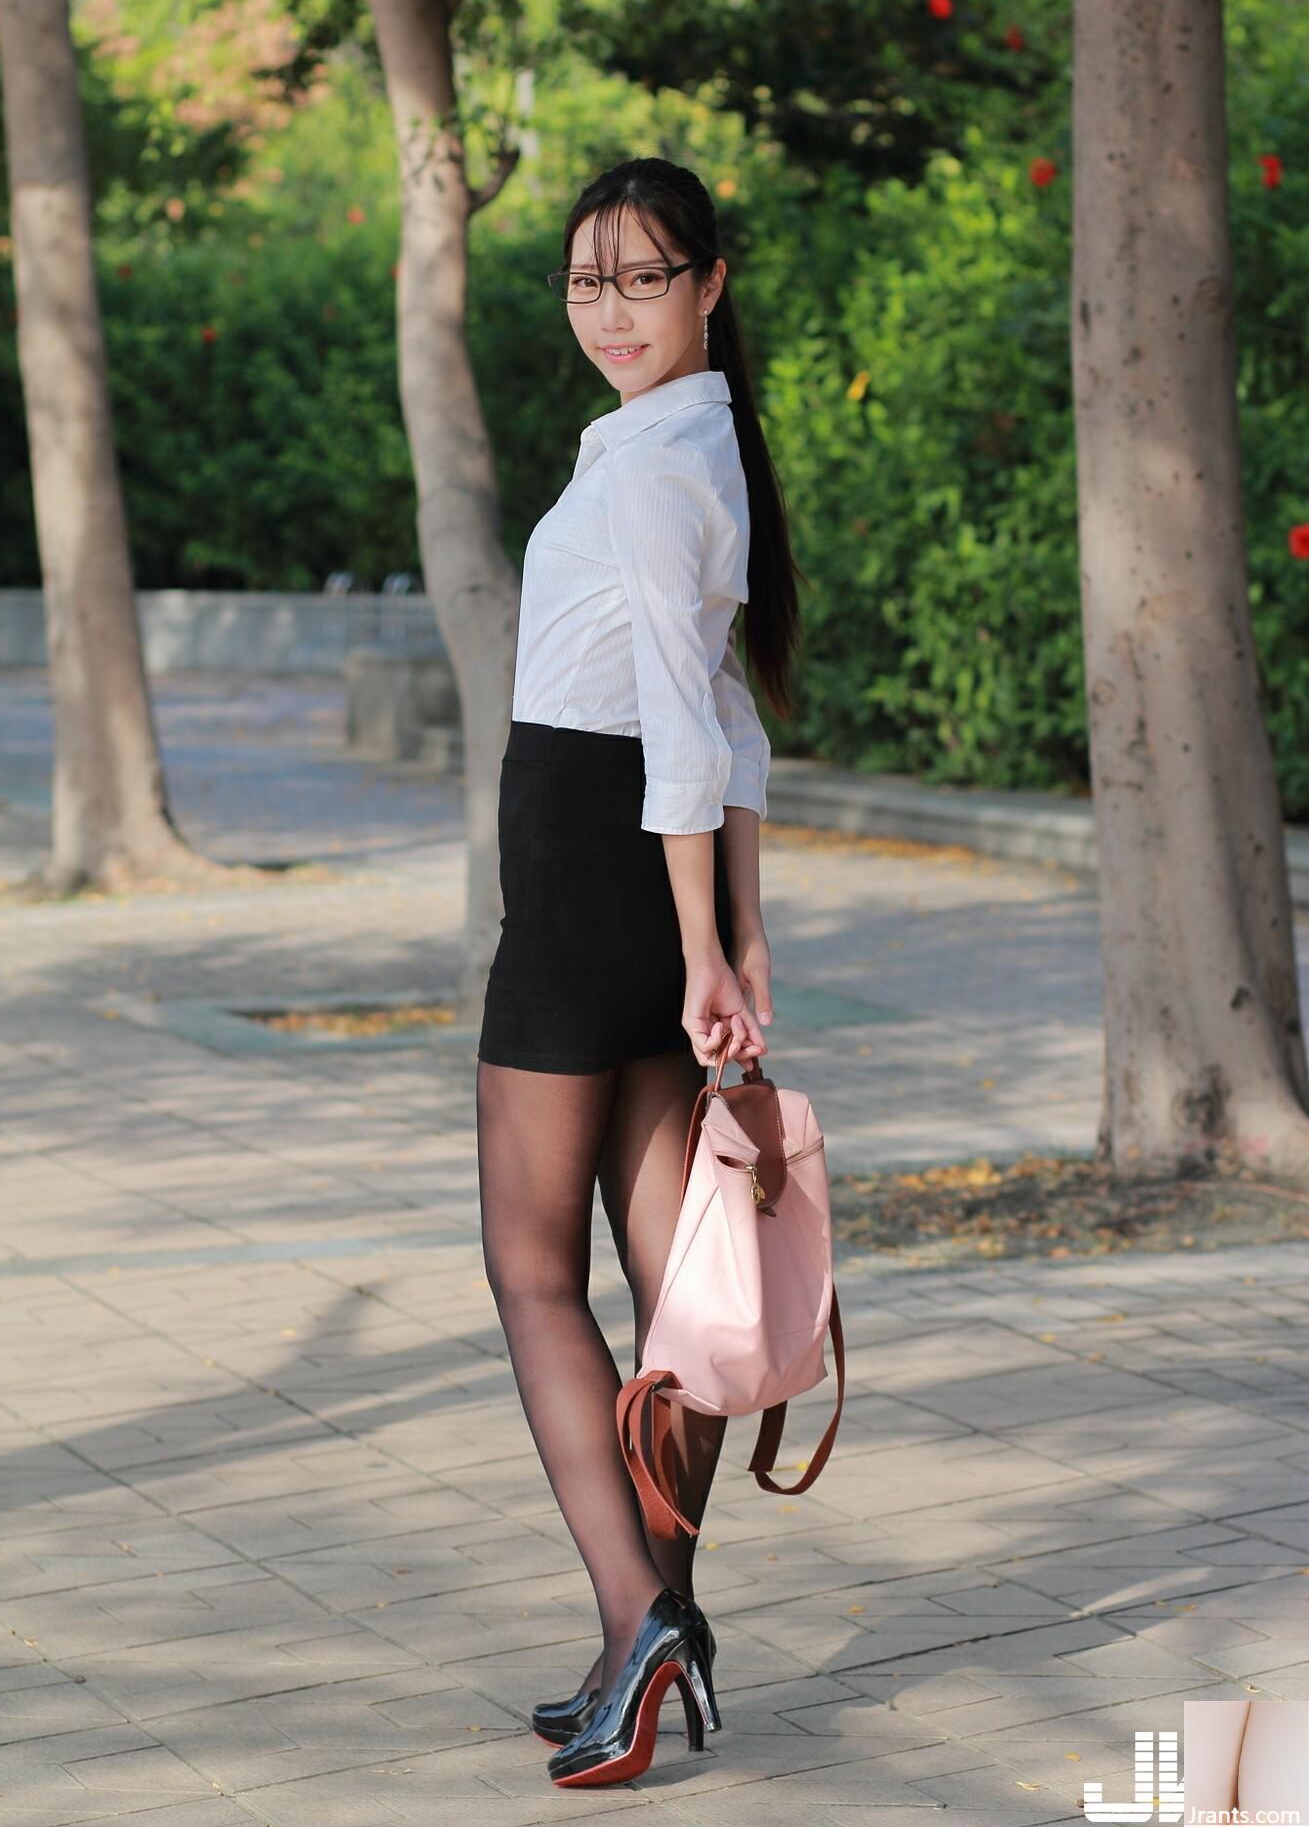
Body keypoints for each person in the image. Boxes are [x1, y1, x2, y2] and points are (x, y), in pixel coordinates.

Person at [475, 154, 801, 1788]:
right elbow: (733, 716)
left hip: (596, 889)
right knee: (670, 1295)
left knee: (534, 1274)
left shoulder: (642, 471)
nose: (611, 311)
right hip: (643, 884)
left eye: (645, 279)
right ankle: (642, 1629)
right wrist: (734, 929)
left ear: (709, 286)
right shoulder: (694, 446)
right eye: (587, 282)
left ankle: (639, 1613)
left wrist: (700, 946)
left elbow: (686, 726)